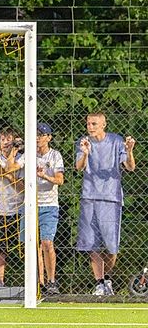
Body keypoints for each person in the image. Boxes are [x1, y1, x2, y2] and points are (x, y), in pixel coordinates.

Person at [75, 112, 136, 296]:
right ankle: (100, 283)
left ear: (103, 124)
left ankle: (106, 278)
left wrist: (129, 151)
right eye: (88, 124)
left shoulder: (116, 141)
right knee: (91, 244)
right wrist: (85, 154)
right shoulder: (84, 142)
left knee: (111, 245)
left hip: (111, 198)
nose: (90, 127)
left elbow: (130, 167)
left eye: (94, 124)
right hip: (89, 197)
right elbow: (79, 167)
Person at [0, 127, 25, 287]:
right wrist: (9, 174)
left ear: (16, 141)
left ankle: (31, 281)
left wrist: (7, 174)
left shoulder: (23, 158)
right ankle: (0, 282)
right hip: (0, 209)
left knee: (24, 247)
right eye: (2, 139)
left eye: (9, 139)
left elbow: (22, 187)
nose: (5, 143)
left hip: (20, 208)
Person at [35, 122, 65, 295]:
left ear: (49, 137)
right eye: (35, 134)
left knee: (46, 243)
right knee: (32, 245)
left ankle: (51, 280)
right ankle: (38, 283)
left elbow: (60, 180)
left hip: (49, 205)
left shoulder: (55, 155)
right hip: (30, 205)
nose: (37, 138)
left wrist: (44, 176)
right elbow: (14, 169)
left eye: (41, 134)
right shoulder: (28, 155)